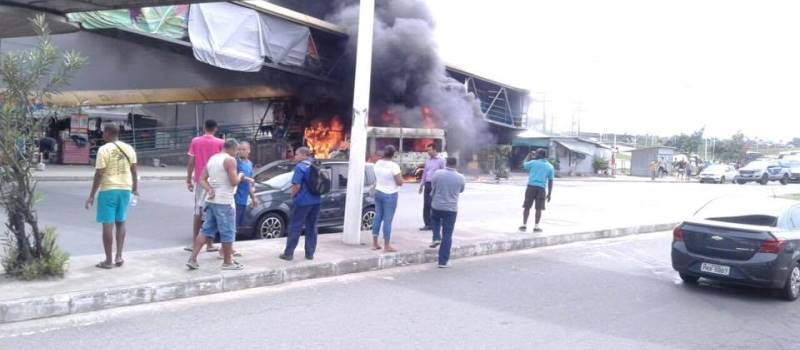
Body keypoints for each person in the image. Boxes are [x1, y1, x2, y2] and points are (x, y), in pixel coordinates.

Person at [186, 139, 248, 271]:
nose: (237, 154)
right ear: (232, 148)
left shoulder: (213, 159)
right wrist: (241, 176)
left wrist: (209, 189)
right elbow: (233, 182)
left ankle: (192, 258)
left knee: (206, 230)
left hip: (211, 200)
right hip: (225, 201)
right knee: (228, 232)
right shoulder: (230, 161)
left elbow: (201, 179)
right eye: (237, 151)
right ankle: (227, 262)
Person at [85, 124, 138, 269]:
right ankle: (119, 256)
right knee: (121, 222)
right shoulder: (129, 148)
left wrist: (91, 195)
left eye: (103, 132)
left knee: (107, 224)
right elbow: (134, 171)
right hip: (125, 189)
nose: (102, 134)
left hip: (108, 189)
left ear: (108, 133)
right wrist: (135, 189)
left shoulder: (104, 149)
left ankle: (108, 260)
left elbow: (99, 173)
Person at [185, 119, 224, 253]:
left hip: (200, 181)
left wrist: (188, 179)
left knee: (198, 211)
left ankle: (194, 243)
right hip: (215, 182)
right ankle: (210, 244)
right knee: (211, 211)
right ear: (215, 129)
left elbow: (191, 161)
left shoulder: (195, 141)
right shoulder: (221, 143)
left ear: (204, 127)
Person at [280, 147, 322, 261]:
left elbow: (297, 185)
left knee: (295, 226)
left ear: (304, 155)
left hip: (303, 201)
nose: (295, 156)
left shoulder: (300, 167)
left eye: (297, 154)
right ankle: (310, 253)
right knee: (312, 227)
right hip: (316, 200)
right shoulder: (315, 164)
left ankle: (288, 253)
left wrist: (292, 195)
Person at [430, 157, 465, 268]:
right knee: (447, 235)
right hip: (451, 209)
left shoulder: (438, 173)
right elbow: (461, 190)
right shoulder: (461, 177)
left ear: (446, 163)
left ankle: (436, 236)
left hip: (437, 206)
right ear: (456, 164)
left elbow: (433, 185)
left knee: (434, 219)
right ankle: (443, 262)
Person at [372, 145, 404, 252]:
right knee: (387, 220)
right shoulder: (394, 166)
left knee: (377, 217)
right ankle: (386, 246)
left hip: (378, 191)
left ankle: (375, 243)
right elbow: (399, 182)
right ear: (393, 154)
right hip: (390, 194)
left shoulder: (378, 163)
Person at [519, 149, 554, 233]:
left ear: (540, 155)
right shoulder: (550, 166)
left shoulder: (533, 162)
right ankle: (536, 227)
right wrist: (549, 194)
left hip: (531, 187)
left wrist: (528, 155)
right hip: (541, 189)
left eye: (537, 153)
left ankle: (524, 225)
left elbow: (523, 164)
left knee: (527, 207)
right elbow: (550, 181)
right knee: (539, 208)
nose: (535, 155)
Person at [419, 144, 445, 234]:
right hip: (427, 184)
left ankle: (436, 224)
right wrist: (421, 185)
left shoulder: (441, 161)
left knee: (435, 205)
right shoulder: (427, 161)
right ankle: (427, 224)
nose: (428, 152)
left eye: (429, 150)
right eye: (427, 150)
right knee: (426, 205)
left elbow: (444, 173)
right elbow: (425, 173)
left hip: (436, 185)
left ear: (435, 150)